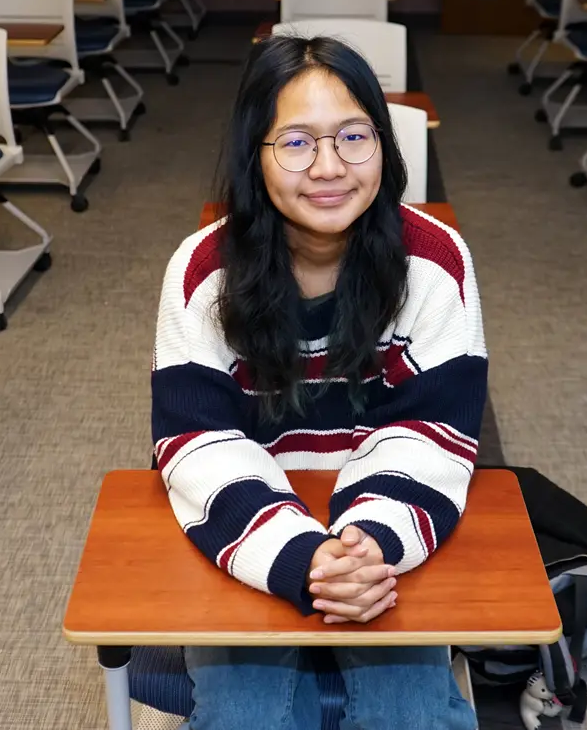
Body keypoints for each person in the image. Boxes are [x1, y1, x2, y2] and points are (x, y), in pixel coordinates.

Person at [151, 36, 487, 730]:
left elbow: (431, 432)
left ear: (383, 146)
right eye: (297, 142)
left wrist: (365, 544)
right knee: (243, 717)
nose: (329, 167)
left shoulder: (435, 262)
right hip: (252, 526)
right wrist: (302, 555)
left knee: (411, 716)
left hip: (385, 535)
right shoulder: (203, 271)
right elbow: (198, 442)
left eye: (353, 136)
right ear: (256, 155)